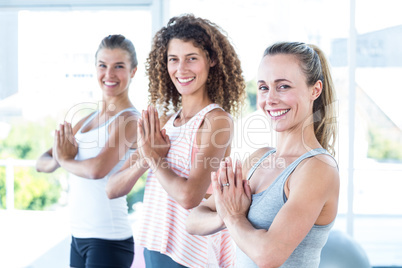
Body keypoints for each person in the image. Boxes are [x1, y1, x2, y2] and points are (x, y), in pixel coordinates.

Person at [106, 14, 246, 268]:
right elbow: (112, 189)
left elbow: (190, 196)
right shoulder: (164, 122)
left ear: (212, 60)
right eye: (173, 59)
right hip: (153, 248)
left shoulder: (216, 121)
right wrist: (146, 158)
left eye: (191, 58)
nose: (181, 69)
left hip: (189, 257)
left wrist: (155, 159)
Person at [186, 41, 340, 268]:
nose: (270, 99)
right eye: (264, 87)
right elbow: (193, 220)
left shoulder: (318, 168)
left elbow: (269, 255)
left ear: (314, 90)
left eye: (284, 86)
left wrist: (233, 217)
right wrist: (224, 214)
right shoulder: (259, 158)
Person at [36, 34, 140, 268]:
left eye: (119, 66)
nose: (109, 74)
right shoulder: (85, 121)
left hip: (109, 241)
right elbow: (42, 161)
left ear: (133, 71)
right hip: (78, 237)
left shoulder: (130, 121)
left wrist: (62, 159)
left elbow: (96, 169)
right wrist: (60, 160)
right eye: (103, 65)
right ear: (95, 68)